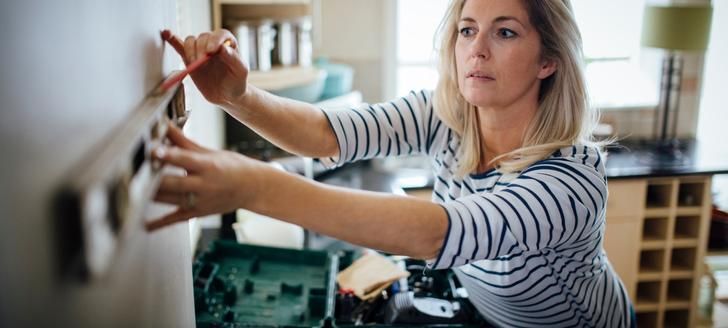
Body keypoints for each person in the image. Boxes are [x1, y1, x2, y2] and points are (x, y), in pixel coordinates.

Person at [149, 0, 634, 326]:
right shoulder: (448, 114)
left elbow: (439, 232)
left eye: (505, 32)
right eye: (468, 30)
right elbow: (326, 133)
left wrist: (256, 187)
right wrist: (237, 97)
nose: (477, 48)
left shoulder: (571, 179)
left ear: (547, 60)